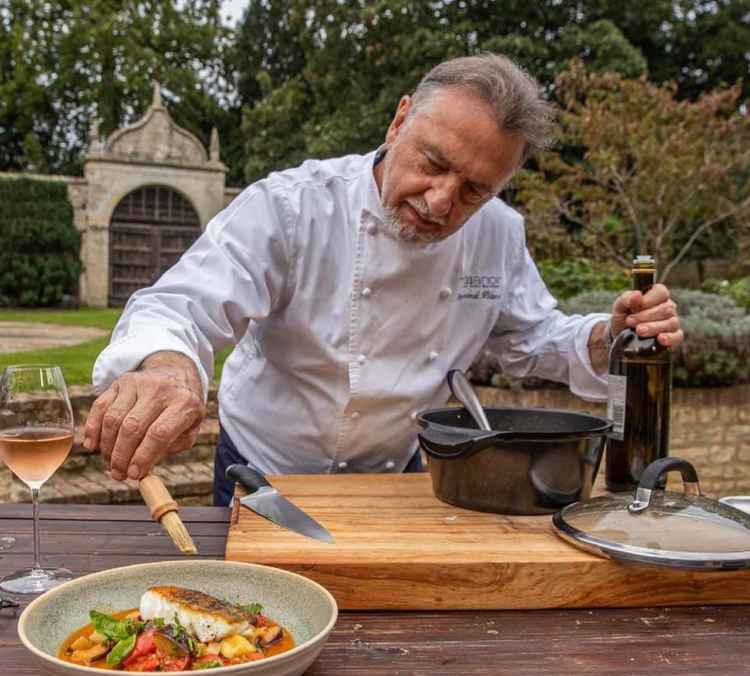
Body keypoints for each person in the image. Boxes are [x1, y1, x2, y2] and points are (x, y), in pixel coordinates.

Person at [85, 53, 683, 506]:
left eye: (475, 189)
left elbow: (529, 339)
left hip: (398, 477)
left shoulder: (498, 233)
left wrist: (610, 337)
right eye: (434, 162)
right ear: (400, 121)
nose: (442, 200)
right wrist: (168, 368)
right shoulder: (294, 206)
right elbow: (181, 305)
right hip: (262, 470)